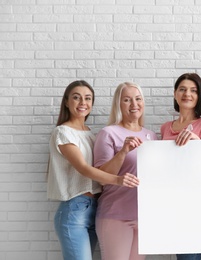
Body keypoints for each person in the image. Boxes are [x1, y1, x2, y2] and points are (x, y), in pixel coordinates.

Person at [47, 80, 138, 260]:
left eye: (88, 98)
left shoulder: (91, 134)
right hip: (74, 209)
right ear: (66, 102)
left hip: (94, 208)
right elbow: (83, 168)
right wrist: (118, 180)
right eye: (76, 97)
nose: (83, 103)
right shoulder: (63, 132)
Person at [93, 82, 158, 260]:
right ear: (119, 105)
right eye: (127, 100)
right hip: (115, 215)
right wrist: (123, 151)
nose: (134, 104)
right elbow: (102, 177)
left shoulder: (151, 136)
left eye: (138, 99)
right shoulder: (108, 133)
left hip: (143, 217)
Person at [161, 73, 201, 260]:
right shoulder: (165, 127)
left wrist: (196, 143)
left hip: (196, 202)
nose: (187, 94)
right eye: (182, 89)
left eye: (194, 90)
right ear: (175, 94)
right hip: (171, 200)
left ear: (199, 96)